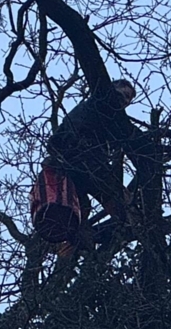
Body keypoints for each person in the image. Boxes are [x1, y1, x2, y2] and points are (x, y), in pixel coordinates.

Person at [43, 79, 140, 246]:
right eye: (122, 95)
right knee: (121, 205)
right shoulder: (101, 102)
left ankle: (79, 240)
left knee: (82, 210)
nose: (124, 101)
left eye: (128, 100)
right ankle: (88, 237)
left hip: (76, 163)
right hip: (84, 161)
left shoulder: (107, 118)